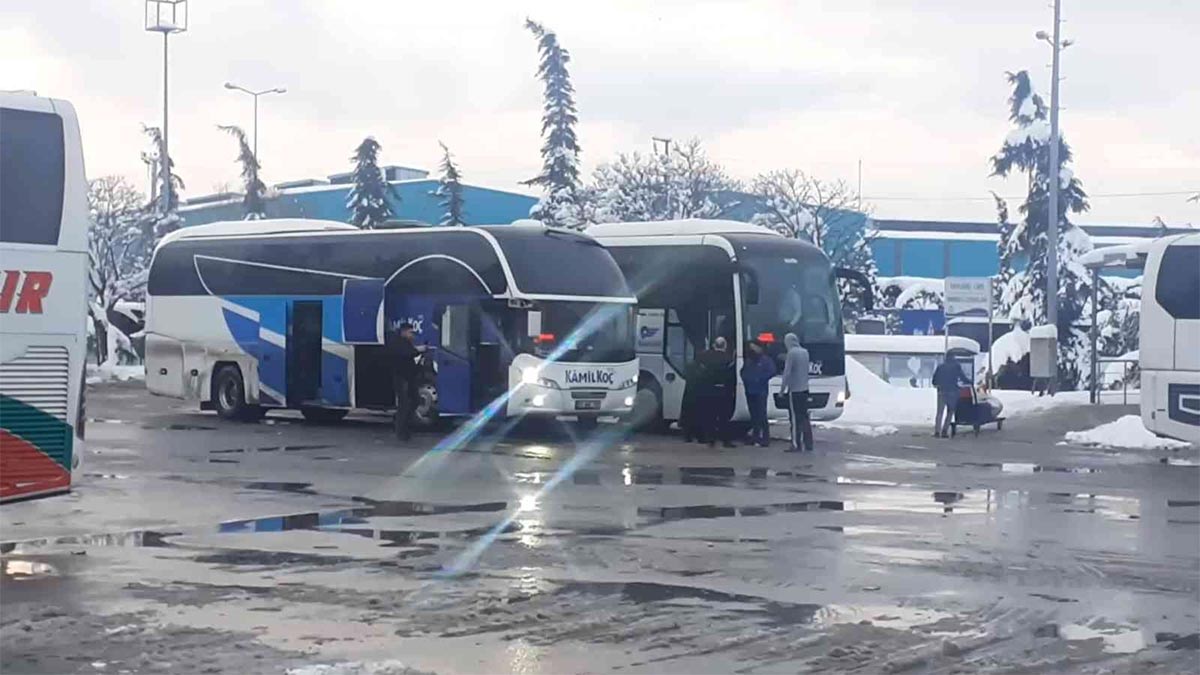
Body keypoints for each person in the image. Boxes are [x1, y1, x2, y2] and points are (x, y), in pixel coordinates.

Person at [385, 322, 426, 441]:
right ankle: (401, 430)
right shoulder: (397, 342)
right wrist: (419, 350)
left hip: (409, 377)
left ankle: (404, 426)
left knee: (415, 401)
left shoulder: (407, 343)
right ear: (403, 332)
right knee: (404, 404)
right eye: (410, 332)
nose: (412, 334)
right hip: (401, 378)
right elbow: (407, 353)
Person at [696, 337, 736, 448]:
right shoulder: (728, 359)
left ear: (714, 345)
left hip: (708, 391)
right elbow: (730, 378)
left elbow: (700, 372)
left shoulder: (705, 357)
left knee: (709, 417)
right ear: (725, 346)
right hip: (723, 392)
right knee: (724, 418)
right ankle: (726, 441)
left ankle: (710, 440)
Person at [780, 332, 813, 452]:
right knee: (804, 417)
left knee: (794, 418)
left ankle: (795, 444)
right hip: (805, 389)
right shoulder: (805, 352)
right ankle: (808, 443)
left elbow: (787, 373)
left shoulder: (791, 353)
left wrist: (782, 390)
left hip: (794, 391)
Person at [741, 340, 776, 447]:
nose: (752, 350)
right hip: (750, 390)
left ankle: (765, 438)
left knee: (762, 414)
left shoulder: (766, 360)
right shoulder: (749, 360)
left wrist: (759, 379)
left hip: (761, 391)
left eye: (754, 347)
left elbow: (772, 371)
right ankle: (755, 437)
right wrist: (746, 380)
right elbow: (743, 372)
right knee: (753, 415)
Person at [932, 353, 971, 438]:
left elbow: (934, 380)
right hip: (952, 392)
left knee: (939, 412)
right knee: (950, 411)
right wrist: (969, 382)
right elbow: (962, 377)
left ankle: (937, 431)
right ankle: (944, 431)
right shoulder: (956, 366)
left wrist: (938, 385)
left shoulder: (940, 367)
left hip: (941, 391)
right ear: (953, 357)